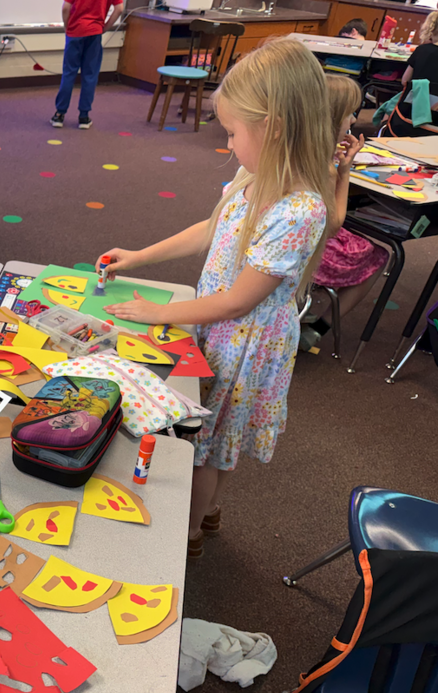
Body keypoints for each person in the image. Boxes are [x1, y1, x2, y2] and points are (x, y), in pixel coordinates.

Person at [96, 39, 334, 558]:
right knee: (208, 440)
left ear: (272, 127)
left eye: (232, 132)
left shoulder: (300, 209)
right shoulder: (254, 175)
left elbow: (234, 303)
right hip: (219, 331)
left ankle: (189, 535)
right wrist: (138, 257)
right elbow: (211, 228)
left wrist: (158, 312)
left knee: (208, 450)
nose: (227, 145)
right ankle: (207, 511)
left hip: (246, 346)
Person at [302, 76, 388, 351]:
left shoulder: (302, 149)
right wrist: (344, 169)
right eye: (349, 114)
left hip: (297, 240)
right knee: (380, 255)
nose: (353, 121)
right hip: (311, 250)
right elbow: (334, 225)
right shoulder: (326, 166)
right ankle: (320, 328)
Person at [51, 0, 124, 129]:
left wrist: (67, 27)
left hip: (75, 31)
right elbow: (119, 9)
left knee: (69, 73)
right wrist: (105, 27)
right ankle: (84, 117)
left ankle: (59, 114)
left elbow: (65, 8)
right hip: (94, 33)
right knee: (90, 75)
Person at [386, 11, 438, 136]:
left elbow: (405, 80)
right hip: (435, 122)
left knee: (389, 106)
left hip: (408, 114)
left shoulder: (422, 51)